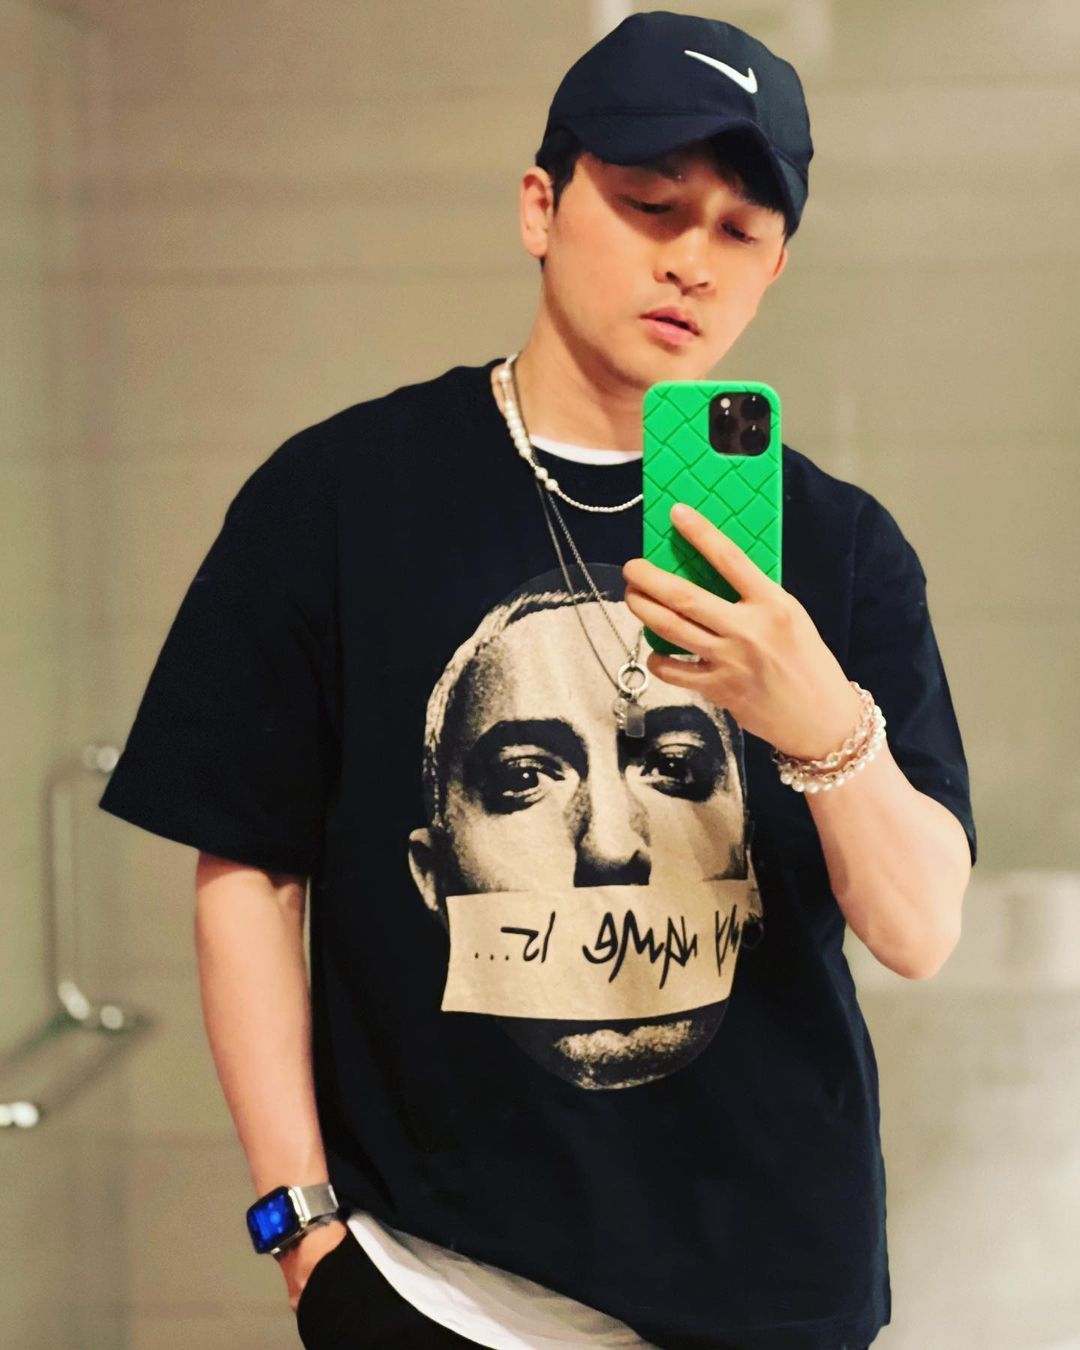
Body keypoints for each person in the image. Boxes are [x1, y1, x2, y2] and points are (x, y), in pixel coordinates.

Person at [98, 11, 976, 1350]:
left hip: (775, 1289)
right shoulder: (338, 500)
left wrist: (817, 721)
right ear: (540, 207)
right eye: (649, 204)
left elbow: (919, 931)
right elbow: (250, 871)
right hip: (439, 1286)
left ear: (776, 264)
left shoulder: (838, 548)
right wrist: (303, 1231)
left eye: (740, 230)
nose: (691, 259)